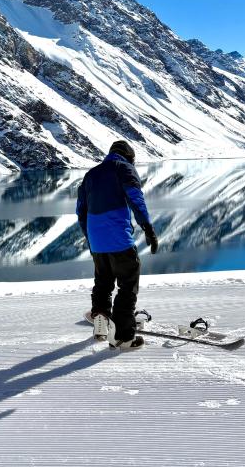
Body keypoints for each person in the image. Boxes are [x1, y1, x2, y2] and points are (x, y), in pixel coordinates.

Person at [76, 139, 159, 349]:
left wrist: (91, 237)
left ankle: (101, 319)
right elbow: (135, 198)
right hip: (118, 238)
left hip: (96, 240)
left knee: (103, 281)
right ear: (129, 156)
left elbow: (81, 211)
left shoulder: (91, 174)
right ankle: (123, 337)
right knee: (128, 283)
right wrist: (148, 228)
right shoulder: (124, 168)